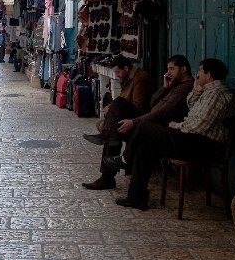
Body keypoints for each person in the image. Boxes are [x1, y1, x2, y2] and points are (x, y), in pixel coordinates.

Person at [104, 58, 235, 210]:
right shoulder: (208, 91)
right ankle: (136, 197)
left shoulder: (217, 94)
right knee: (146, 147)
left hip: (201, 143)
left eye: (200, 71)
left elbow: (199, 125)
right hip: (193, 138)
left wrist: (177, 125)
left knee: (145, 128)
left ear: (208, 75)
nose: (197, 75)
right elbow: (191, 108)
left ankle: (126, 159)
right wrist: (197, 89)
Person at [81, 55, 193, 190]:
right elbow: (154, 103)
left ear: (183, 69)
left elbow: (159, 112)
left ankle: (107, 175)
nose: (168, 73)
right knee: (114, 130)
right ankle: (107, 172)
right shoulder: (174, 86)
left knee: (117, 112)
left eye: (172, 69)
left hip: (155, 126)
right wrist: (165, 88)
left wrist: (133, 122)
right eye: (167, 69)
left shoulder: (184, 88)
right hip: (148, 120)